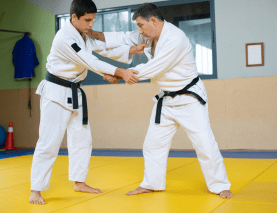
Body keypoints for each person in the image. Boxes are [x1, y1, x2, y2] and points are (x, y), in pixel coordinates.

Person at [88, 3, 233, 199]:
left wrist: (121, 75)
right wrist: (94, 34)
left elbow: (157, 67)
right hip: (166, 100)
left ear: (153, 21)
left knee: (205, 144)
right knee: (153, 144)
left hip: (189, 99)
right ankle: (152, 183)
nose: (138, 31)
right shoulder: (147, 35)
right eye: (137, 26)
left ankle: (220, 185)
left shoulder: (175, 38)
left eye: (141, 25)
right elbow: (121, 37)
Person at [29, 0, 144, 205]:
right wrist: (120, 72)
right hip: (56, 93)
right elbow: (90, 62)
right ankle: (35, 190)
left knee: (82, 140)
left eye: (93, 19)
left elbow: (101, 48)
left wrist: (132, 50)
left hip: (75, 92)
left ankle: (79, 182)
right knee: (49, 142)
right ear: (74, 17)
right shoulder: (65, 38)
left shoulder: (82, 34)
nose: (91, 24)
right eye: (87, 20)